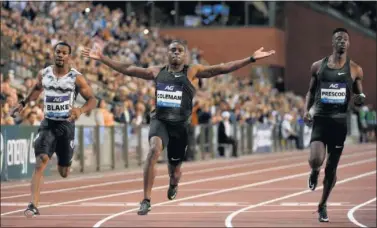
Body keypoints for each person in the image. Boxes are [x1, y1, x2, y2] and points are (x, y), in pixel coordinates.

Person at [82, 40, 275, 215]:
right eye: (172, 50)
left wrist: (250, 59)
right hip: (160, 121)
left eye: (179, 50)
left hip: (180, 127)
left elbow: (223, 68)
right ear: (167, 54)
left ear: (185, 56)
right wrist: (102, 58)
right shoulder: (157, 71)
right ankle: (146, 200)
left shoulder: (192, 71)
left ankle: (173, 184)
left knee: (174, 172)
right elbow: (128, 69)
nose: (175, 53)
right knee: (153, 151)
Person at [11, 41, 97, 217]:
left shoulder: (76, 77)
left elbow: (92, 100)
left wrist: (80, 110)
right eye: (58, 52)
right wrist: (23, 103)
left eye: (64, 53)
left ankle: (65, 160)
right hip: (48, 124)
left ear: (69, 56)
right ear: (54, 53)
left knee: (63, 171)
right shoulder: (45, 73)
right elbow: (36, 89)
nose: (60, 55)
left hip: (66, 126)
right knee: (41, 160)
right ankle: (32, 205)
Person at [303, 28, 365, 222]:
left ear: (349, 44)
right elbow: (311, 92)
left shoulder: (355, 69)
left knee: (331, 169)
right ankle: (314, 172)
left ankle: (322, 205)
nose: (342, 42)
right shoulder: (318, 66)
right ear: (332, 42)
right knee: (316, 159)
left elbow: (359, 95)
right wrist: (307, 110)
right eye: (338, 39)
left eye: (345, 39)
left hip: (339, 123)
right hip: (321, 119)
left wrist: (359, 99)